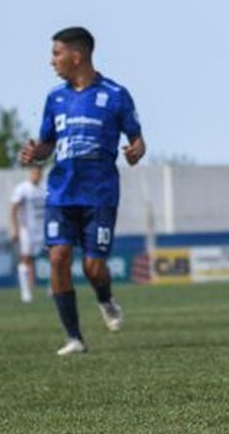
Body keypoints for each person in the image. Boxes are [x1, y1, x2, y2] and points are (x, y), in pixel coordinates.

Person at [20, 26, 145, 356]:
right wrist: (36, 153)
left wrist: (135, 151)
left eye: (57, 54)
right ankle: (74, 338)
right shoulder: (55, 98)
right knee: (58, 257)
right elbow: (47, 143)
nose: (52, 61)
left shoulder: (116, 95)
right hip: (61, 193)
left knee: (93, 267)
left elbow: (137, 138)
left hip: (99, 194)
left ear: (77, 56)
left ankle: (105, 299)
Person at [9, 166, 47, 302]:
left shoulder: (45, 188)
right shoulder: (22, 189)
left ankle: (53, 288)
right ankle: (26, 292)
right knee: (26, 259)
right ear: (30, 173)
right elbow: (13, 209)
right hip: (27, 229)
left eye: (39, 172)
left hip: (43, 229)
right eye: (35, 172)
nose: (37, 175)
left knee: (55, 257)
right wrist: (14, 229)